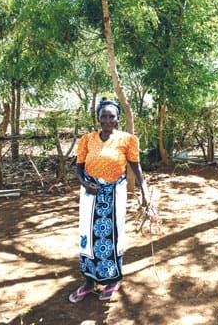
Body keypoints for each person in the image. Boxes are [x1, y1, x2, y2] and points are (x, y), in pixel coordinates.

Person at [68, 97, 149, 303]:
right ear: (98, 118)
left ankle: (111, 281)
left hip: (114, 196)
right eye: (103, 116)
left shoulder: (127, 140)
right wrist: (86, 184)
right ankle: (88, 281)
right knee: (87, 237)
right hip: (90, 195)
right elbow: (78, 168)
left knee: (111, 238)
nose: (106, 120)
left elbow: (136, 168)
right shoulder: (87, 139)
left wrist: (145, 192)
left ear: (117, 118)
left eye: (111, 116)